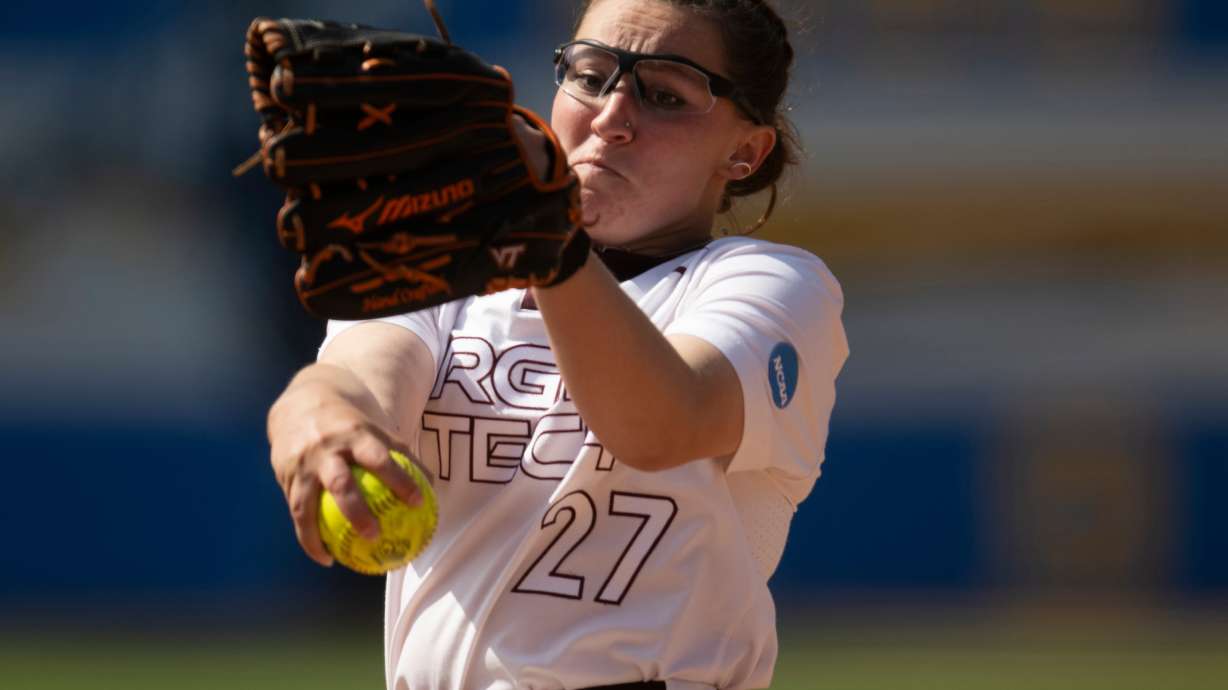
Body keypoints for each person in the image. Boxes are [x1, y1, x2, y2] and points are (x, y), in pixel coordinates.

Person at [266, 0, 848, 688]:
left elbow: (662, 421)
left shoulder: (770, 287)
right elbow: (360, 378)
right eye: (592, 75)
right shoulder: (447, 273)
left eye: (665, 95)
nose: (612, 117)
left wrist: (545, 235)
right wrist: (317, 415)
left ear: (745, 151)